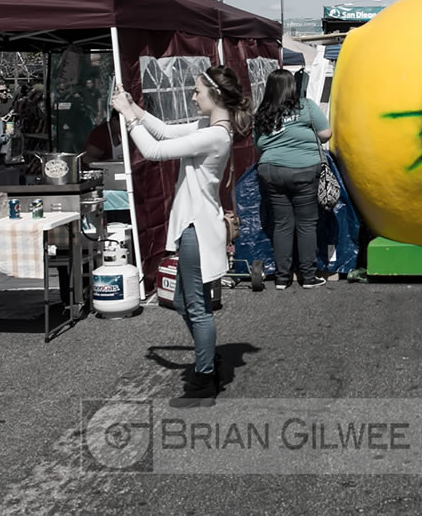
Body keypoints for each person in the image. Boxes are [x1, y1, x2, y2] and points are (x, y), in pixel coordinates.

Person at [111, 65, 252, 403]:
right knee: (181, 302)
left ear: (215, 95)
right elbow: (162, 132)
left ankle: (204, 381)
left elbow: (155, 151)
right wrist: (133, 107)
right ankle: (208, 360)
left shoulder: (216, 135)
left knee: (197, 307)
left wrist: (128, 117)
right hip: (194, 227)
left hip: (197, 229)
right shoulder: (209, 128)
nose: (192, 97)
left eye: (197, 91)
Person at [253, 68, 332, 289]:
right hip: (304, 170)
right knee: (306, 224)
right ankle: (308, 276)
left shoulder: (263, 112)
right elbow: (326, 133)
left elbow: (259, 145)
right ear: (292, 87)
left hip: (271, 171)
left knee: (282, 224)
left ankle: (282, 278)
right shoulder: (306, 106)